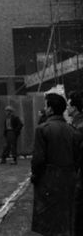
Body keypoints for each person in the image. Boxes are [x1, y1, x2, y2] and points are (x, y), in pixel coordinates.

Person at [31, 91, 82, 235]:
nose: (45, 109)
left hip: (48, 180)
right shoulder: (73, 130)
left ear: (51, 109)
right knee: (65, 220)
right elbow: (78, 158)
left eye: (47, 106)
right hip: (69, 179)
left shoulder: (42, 129)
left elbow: (38, 160)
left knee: (48, 222)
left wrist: (35, 176)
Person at [67, 91, 83, 235]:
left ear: (75, 108)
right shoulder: (76, 123)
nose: (67, 108)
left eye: (69, 105)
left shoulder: (79, 125)